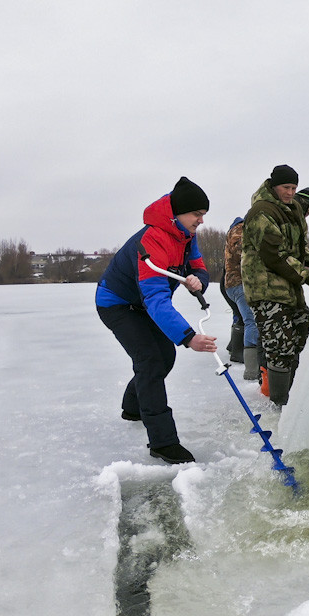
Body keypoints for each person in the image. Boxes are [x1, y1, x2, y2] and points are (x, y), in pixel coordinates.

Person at [96, 177, 218, 464]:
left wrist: (197, 281)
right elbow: (156, 300)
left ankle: (133, 407)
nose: (200, 221)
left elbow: (198, 266)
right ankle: (163, 443)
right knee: (150, 360)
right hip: (117, 304)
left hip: (141, 304)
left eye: (203, 215)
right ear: (178, 213)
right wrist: (189, 337)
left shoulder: (186, 235)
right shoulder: (151, 240)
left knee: (165, 355)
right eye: (196, 215)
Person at [241, 164, 309, 407]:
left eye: (294, 187)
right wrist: (306, 275)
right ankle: (280, 404)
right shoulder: (261, 212)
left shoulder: (293, 210)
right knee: (279, 345)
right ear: (274, 185)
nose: (290, 192)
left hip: (289, 289)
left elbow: (301, 248)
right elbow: (274, 254)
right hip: (266, 289)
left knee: (302, 331)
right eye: (286, 187)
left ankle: (292, 395)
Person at [222, 216, 260, 380]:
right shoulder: (240, 229)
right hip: (239, 284)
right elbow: (241, 252)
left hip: (234, 284)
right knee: (251, 320)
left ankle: (235, 350)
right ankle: (251, 370)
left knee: (241, 318)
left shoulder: (238, 229)